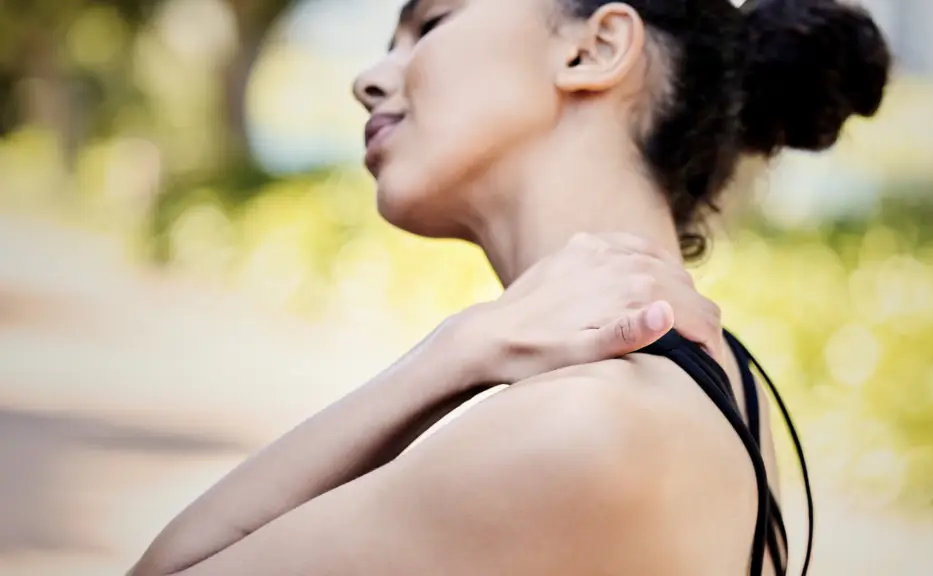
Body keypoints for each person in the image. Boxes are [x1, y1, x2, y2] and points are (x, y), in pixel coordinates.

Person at [130, 0, 890, 574]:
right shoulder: (721, 390)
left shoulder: (585, 424)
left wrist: (447, 357)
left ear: (596, 48)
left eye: (428, 23)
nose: (369, 78)